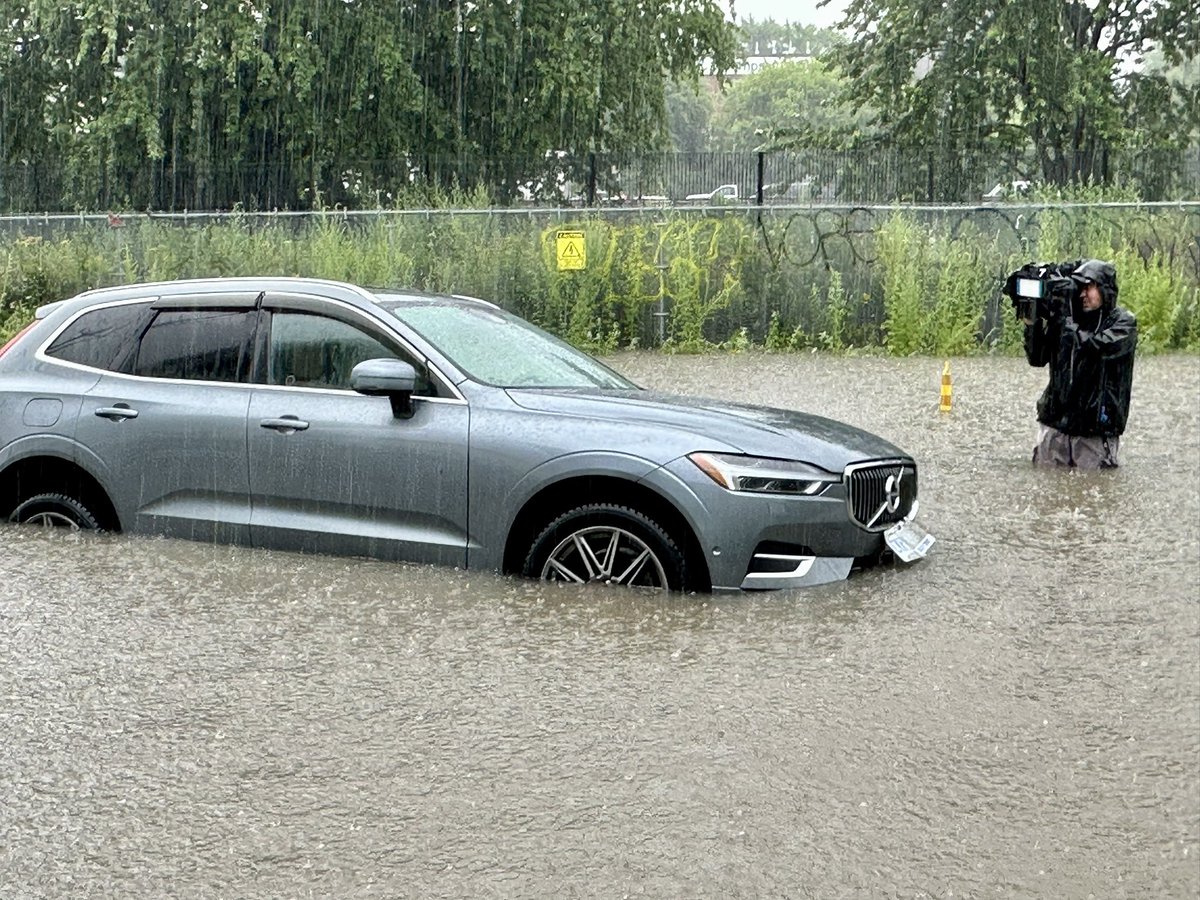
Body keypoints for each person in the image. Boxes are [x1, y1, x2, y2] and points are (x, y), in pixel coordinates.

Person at [1022, 258, 1137, 469]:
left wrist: (1065, 317)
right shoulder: (1066, 319)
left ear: (1106, 289)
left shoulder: (1123, 323)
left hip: (1093, 433)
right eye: (1080, 287)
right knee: (1046, 493)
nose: (1083, 294)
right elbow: (1037, 358)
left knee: (1095, 493)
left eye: (1089, 287)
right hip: (1055, 427)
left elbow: (1093, 348)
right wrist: (1033, 322)